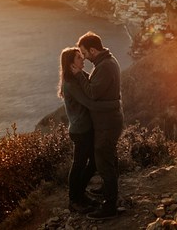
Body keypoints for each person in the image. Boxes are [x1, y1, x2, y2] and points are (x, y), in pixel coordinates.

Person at [57, 46, 120, 214]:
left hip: (87, 128)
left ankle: (80, 193)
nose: (82, 59)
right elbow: (90, 103)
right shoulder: (70, 84)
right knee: (79, 165)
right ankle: (74, 199)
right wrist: (115, 104)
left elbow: (91, 84)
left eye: (82, 55)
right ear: (71, 64)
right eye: (78, 57)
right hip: (80, 131)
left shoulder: (79, 77)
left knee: (93, 163)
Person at [73, 31, 123, 221]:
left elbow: (93, 93)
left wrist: (78, 77)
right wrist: (84, 75)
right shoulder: (106, 62)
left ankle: (109, 205)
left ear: (93, 50)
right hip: (109, 120)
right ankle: (109, 190)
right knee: (109, 157)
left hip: (107, 123)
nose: (84, 57)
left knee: (104, 161)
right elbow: (97, 85)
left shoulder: (104, 66)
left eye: (85, 53)